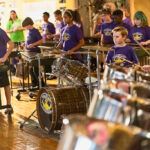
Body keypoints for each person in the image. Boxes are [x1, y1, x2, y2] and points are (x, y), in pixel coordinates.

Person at [22, 17, 44, 87]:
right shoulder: (28, 31)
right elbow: (28, 41)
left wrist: (33, 44)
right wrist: (24, 44)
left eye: (25, 26)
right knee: (31, 69)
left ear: (29, 25)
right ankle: (34, 83)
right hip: (29, 52)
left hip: (35, 52)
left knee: (36, 69)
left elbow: (41, 40)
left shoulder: (35, 31)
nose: (25, 28)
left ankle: (40, 83)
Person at [0, 28, 14, 114]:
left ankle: (8, 106)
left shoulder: (1, 32)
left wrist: (5, 57)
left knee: (6, 84)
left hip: (1, 63)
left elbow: (11, 45)